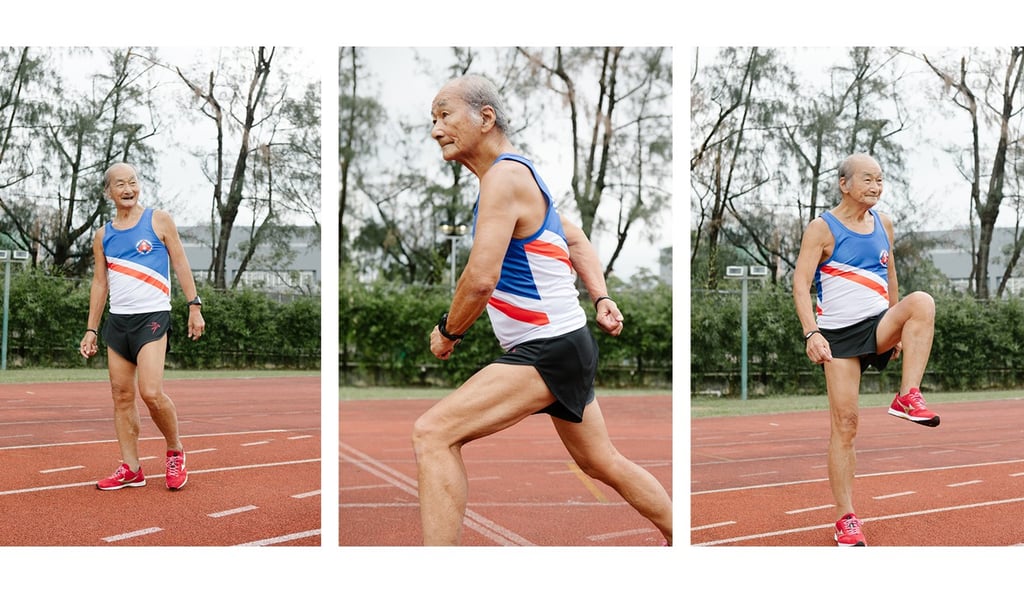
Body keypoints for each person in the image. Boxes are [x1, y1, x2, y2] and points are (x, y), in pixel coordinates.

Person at [411, 74, 673, 546]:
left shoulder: (505, 178)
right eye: (433, 119)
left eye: (444, 115)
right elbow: (572, 237)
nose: (435, 129)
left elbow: (480, 279)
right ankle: (681, 537)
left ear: (485, 117)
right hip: (566, 344)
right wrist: (602, 297)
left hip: (546, 349)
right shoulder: (525, 177)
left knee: (433, 434)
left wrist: (448, 331)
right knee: (601, 462)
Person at [792, 152, 938, 547]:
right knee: (846, 426)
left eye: (880, 180)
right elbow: (800, 285)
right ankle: (846, 518)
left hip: (876, 325)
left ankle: (908, 395)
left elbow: (890, 275)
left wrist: (899, 331)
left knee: (921, 301)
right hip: (838, 338)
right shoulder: (821, 229)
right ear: (844, 184)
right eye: (868, 180)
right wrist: (812, 333)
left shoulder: (884, 224)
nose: (876, 187)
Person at [79, 162, 205, 491]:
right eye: (120, 184)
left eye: (133, 182)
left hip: (153, 317)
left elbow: (180, 261)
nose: (128, 188)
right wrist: (91, 329)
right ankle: (131, 468)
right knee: (121, 396)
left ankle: (175, 451)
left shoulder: (158, 220)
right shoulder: (103, 236)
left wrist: (195, 305)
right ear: (109, 192)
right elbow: (99, 284)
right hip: (118, 323)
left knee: (150, 392)